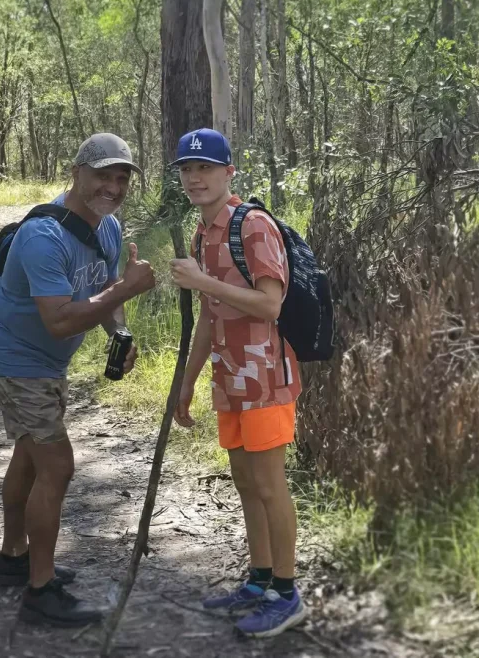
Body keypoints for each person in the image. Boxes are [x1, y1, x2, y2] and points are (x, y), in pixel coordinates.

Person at [0, 133, 156, 628]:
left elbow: (102, 290)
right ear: (76, 173)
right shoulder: (44, 237)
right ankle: (40, 590)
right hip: (16, 359)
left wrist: (119, 331)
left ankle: (14, 559)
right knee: (57, 467)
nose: (113, 186)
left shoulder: (109, 228)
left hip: (43, 362)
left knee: (30, 454)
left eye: (121, 178)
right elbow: (59, 319)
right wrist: (127, 288)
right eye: (103, 174)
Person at [169, 128, 306, 638]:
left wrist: (202, 281)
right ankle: (259, 579)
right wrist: (188, 382)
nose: (195, 178)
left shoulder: (254, 226)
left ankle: (288, 594)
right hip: (230, 380)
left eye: (205, 168)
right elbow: (209, 315)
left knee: (271, 485)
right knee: (247, 483)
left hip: (266, 377)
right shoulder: (202, 233)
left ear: (229, 173)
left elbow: (271, 305)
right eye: (187, 169)